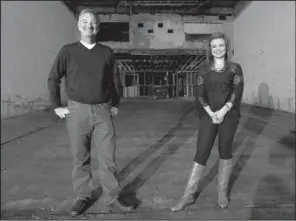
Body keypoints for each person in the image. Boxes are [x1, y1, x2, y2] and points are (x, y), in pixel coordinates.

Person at [48, 9, 133, 216]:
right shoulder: (68, 51)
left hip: (103, 109)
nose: (89, 25)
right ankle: (82, 197)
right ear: (78, 26)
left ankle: (112, 197)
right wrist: (57, 105)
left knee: (108, 158)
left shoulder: (106, 52)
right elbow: (53, 78)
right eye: (84, 21)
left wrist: (115, 103)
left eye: (93, 22)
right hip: (77, 111)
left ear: (98, 26)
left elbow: (115, 81)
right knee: (80, 157)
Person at [171, 32, 244, 212]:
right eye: (214, 46)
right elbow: (199, 94)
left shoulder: (235, 68)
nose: (218, 49)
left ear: (226, 47)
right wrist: (212, 113)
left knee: (225, 151)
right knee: (201, 152)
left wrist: (223, 110)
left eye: (221, 45)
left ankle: (222, 192)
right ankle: (188, 195)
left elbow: (237, 91)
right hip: (208, 116)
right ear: (210, 50)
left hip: (229, 115)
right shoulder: (203, 70)